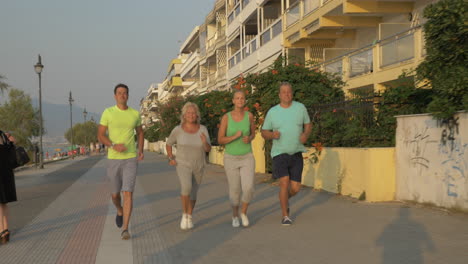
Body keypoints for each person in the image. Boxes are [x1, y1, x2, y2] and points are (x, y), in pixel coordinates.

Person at [97, 83, 144, 240]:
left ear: (128, 96)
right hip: (113, 159)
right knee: (115, 194)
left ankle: (125, 228)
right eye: (119, 93)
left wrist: (141, 150)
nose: (122, 95)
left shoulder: (135, 114)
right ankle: (119, 209)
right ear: (115, 96)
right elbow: (101, 135)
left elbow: (140, 133)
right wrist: (112, 145)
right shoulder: (108, 112)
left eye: (125, 93)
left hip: (130, 158)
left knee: (128, 193)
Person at [261, 82, 311, 226]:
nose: (286, 94)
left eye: (289, 92)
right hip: (279, 153)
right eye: (283, 92)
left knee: (295, 188)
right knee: (284, 182)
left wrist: (306, 134)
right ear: (279, 95)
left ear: (292, 93)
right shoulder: (273, 112)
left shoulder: (300, 108)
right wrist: (272, 135)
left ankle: (284, 200)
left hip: (296, 151)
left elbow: (308, 124)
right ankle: (285, 216)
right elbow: (264, 133)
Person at [166, 102, 211, 230]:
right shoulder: (178, 130)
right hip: (182, 164)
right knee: (186, 187)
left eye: (194, 113)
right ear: (184, 115)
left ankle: (190, 216)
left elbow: (208, 149)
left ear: (197, 115)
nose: (191, 115)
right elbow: (169, 144)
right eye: (189, 113)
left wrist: (204, 142)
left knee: (194, 194)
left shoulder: (203, 129)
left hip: (199, 165)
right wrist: (170, 157)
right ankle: (184, 215)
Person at [218, 91, 256, 227]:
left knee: (249, 188)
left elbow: (253, 133)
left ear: (245, 101)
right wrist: (235, 137)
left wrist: (249, 138)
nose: (240, 100)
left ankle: (244, 213)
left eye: (242, 98)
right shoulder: (226, 117)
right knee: (235, 190)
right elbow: (220, 139)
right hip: (231, 158)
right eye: (237, 98)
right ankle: (235, 215)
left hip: (247, 156)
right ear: (233, 101)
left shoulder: (249, 116)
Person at [0, 131, 17, 244]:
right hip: (6, 174)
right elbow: (13, 143)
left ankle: (1, 231)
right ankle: (6, 230)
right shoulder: (4, 136)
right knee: (4, 203)